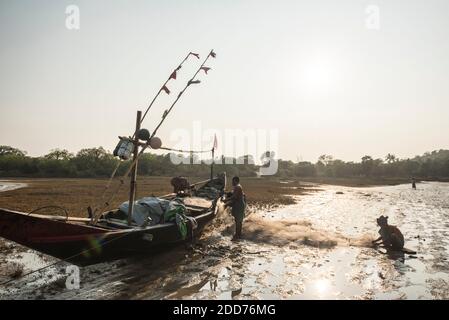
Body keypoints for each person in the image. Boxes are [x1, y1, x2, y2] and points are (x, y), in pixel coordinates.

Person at [225, 176, 246, 241]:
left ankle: (237, 235)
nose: (232, 182)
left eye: (233, 181)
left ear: (236, 181)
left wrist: (226, 200)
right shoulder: (237, 187)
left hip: (239, 205)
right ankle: (238, 234)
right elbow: (233, 194)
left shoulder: (238, 187)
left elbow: (234, 197)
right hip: (238, 205)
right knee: (238, 220)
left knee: (238, 221)